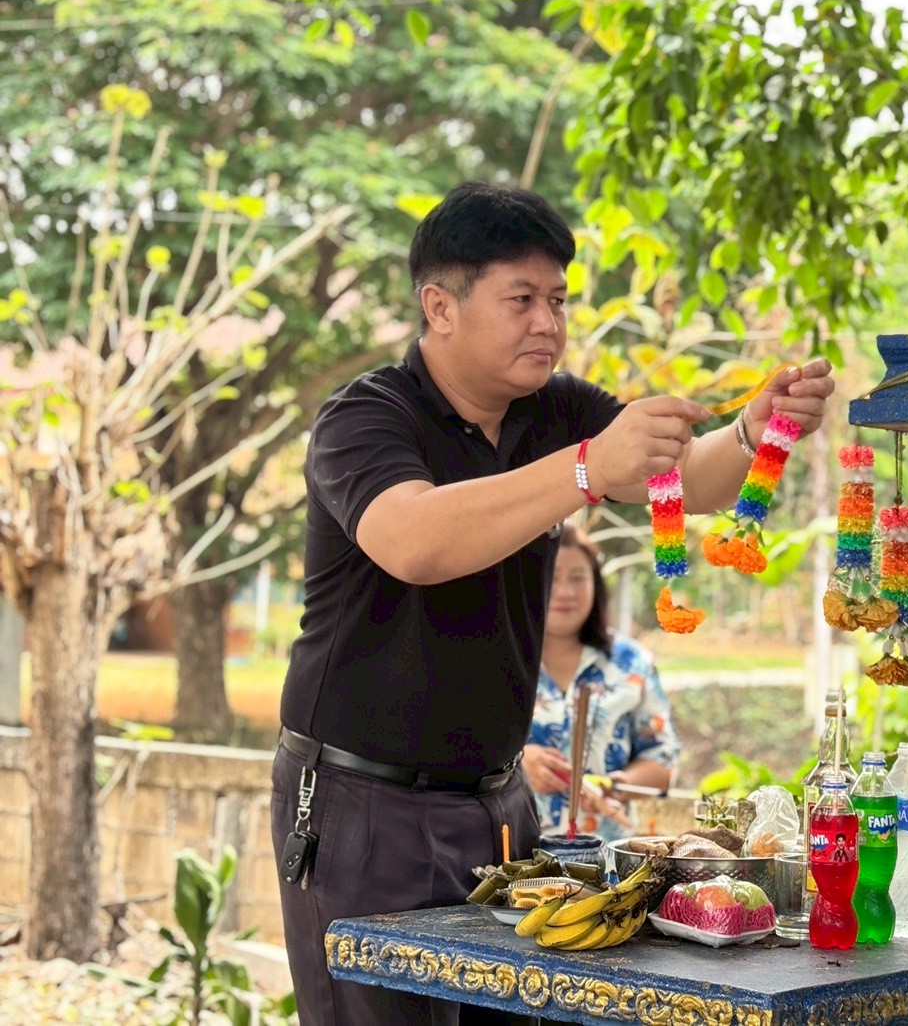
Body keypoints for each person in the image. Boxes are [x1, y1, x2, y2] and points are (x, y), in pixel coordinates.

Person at [269, 181, 835, 1026]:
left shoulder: (556, 409)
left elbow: (685, 481)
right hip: (363, 803)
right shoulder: (366, 416)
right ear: (440, 306)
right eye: (522, 299)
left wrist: (752, 432)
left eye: (559, 300)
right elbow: (414, 540)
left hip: (499, 805)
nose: (548, 322)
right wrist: (584, 469)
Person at [524, 525, 680, 840]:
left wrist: (614, 786)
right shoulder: (503, 660)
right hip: (517, 854)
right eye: (552, 576)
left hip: (607, 854)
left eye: (578, 577)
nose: (565, 591)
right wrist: (519, 765)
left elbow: (664, 760)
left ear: (596, 584)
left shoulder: (631, 662)